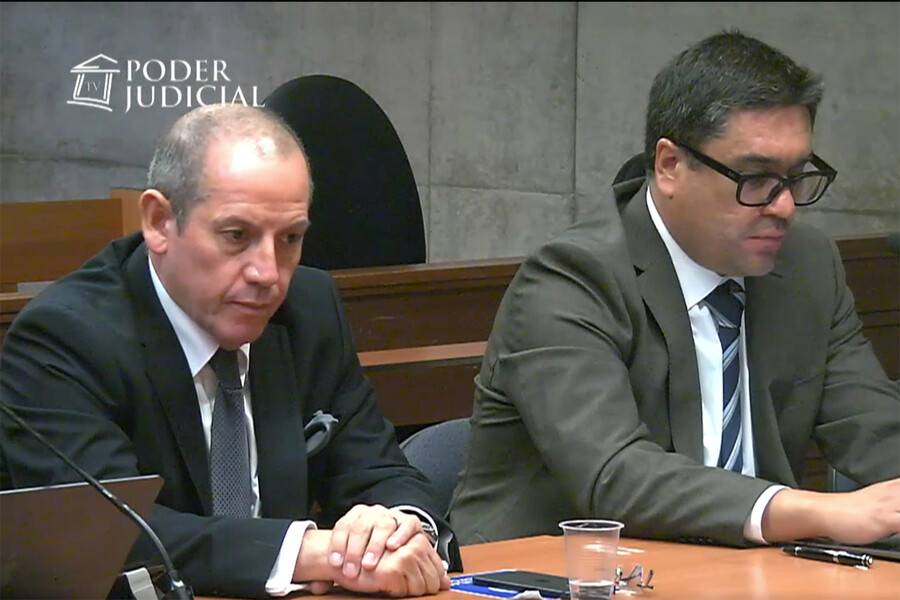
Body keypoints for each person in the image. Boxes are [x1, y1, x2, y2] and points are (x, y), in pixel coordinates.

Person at [450, 30, 900, 549]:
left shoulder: (807, 266)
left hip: (751, 571)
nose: (784, 206)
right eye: (756, 179)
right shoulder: (571, 278)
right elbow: (615, 475)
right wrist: (816, 511)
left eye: (796, 177)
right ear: (670, 166)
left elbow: (873, 428)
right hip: (557, 571)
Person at [0, 104, 461, 598]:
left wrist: (398, 530)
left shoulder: (308, 309)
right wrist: (311, 552)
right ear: (159, 222)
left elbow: (381, 471)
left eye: (290, 238)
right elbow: (108, 534)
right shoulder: (65, 337)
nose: (268, 272)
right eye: (237, 235)